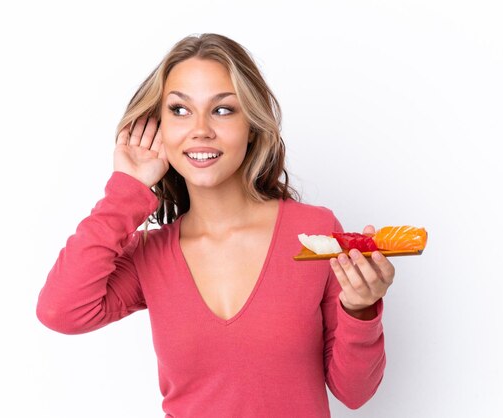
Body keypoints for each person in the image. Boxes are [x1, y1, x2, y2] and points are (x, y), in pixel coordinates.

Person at [37, 33, 394, 417]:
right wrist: (126, 192)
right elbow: (61, 311)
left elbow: (354, 392)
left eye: (222, 110)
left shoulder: (314, 233)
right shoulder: (151, 254)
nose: (200, 129)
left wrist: (360, 308)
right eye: (179, 110)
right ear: (158, 128)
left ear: (253, 125)